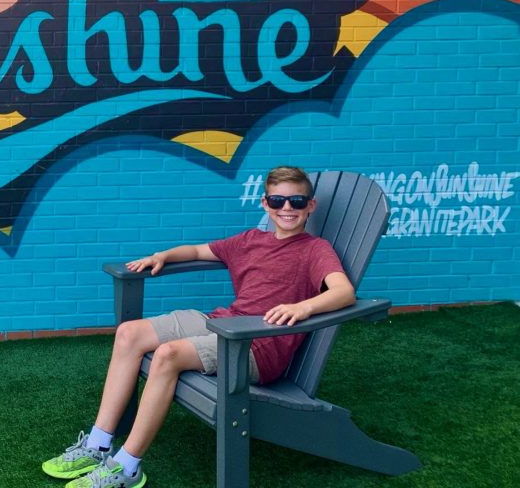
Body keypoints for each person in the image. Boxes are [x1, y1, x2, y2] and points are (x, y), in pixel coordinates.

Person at [41, 165, 356, 488]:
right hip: (222, 323)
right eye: (277, 201)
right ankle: (98, 444)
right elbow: (197, 251)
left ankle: (127, 466)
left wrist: (302, 307)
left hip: (255, 346)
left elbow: (344, 292)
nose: (286, 209)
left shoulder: (315, 250)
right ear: (265, 203)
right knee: (128, 333)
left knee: (167, 355)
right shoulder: (250, 240)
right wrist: (161, 256)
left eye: (296, 201)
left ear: (311, 206)